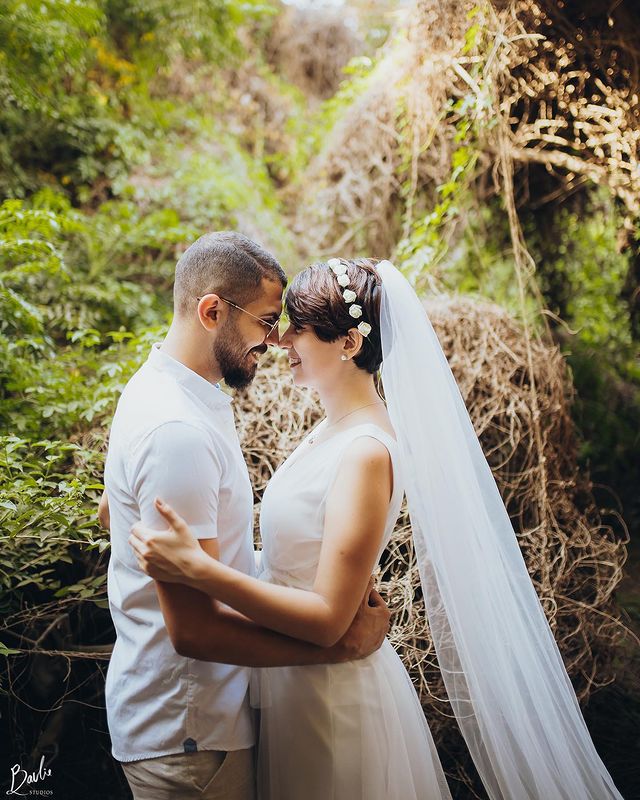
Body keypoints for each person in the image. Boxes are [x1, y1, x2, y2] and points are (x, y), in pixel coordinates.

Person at [130, 257, 625, 800]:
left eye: (299, 327)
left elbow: (326, 621)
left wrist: (201, 572)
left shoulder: (366, 450)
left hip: (334, 704)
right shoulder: (329, 430)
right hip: (291, 688)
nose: (282, 340)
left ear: (346, 344)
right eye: (282, 323)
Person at [100, 235, 390, 800]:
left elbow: (114, 510)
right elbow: (195, 629)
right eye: (264, 321)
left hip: (211, 718)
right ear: (212, 312)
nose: (276, 339)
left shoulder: (173, 391)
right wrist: (339, 647)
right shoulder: (176, 430)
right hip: (192, 734)